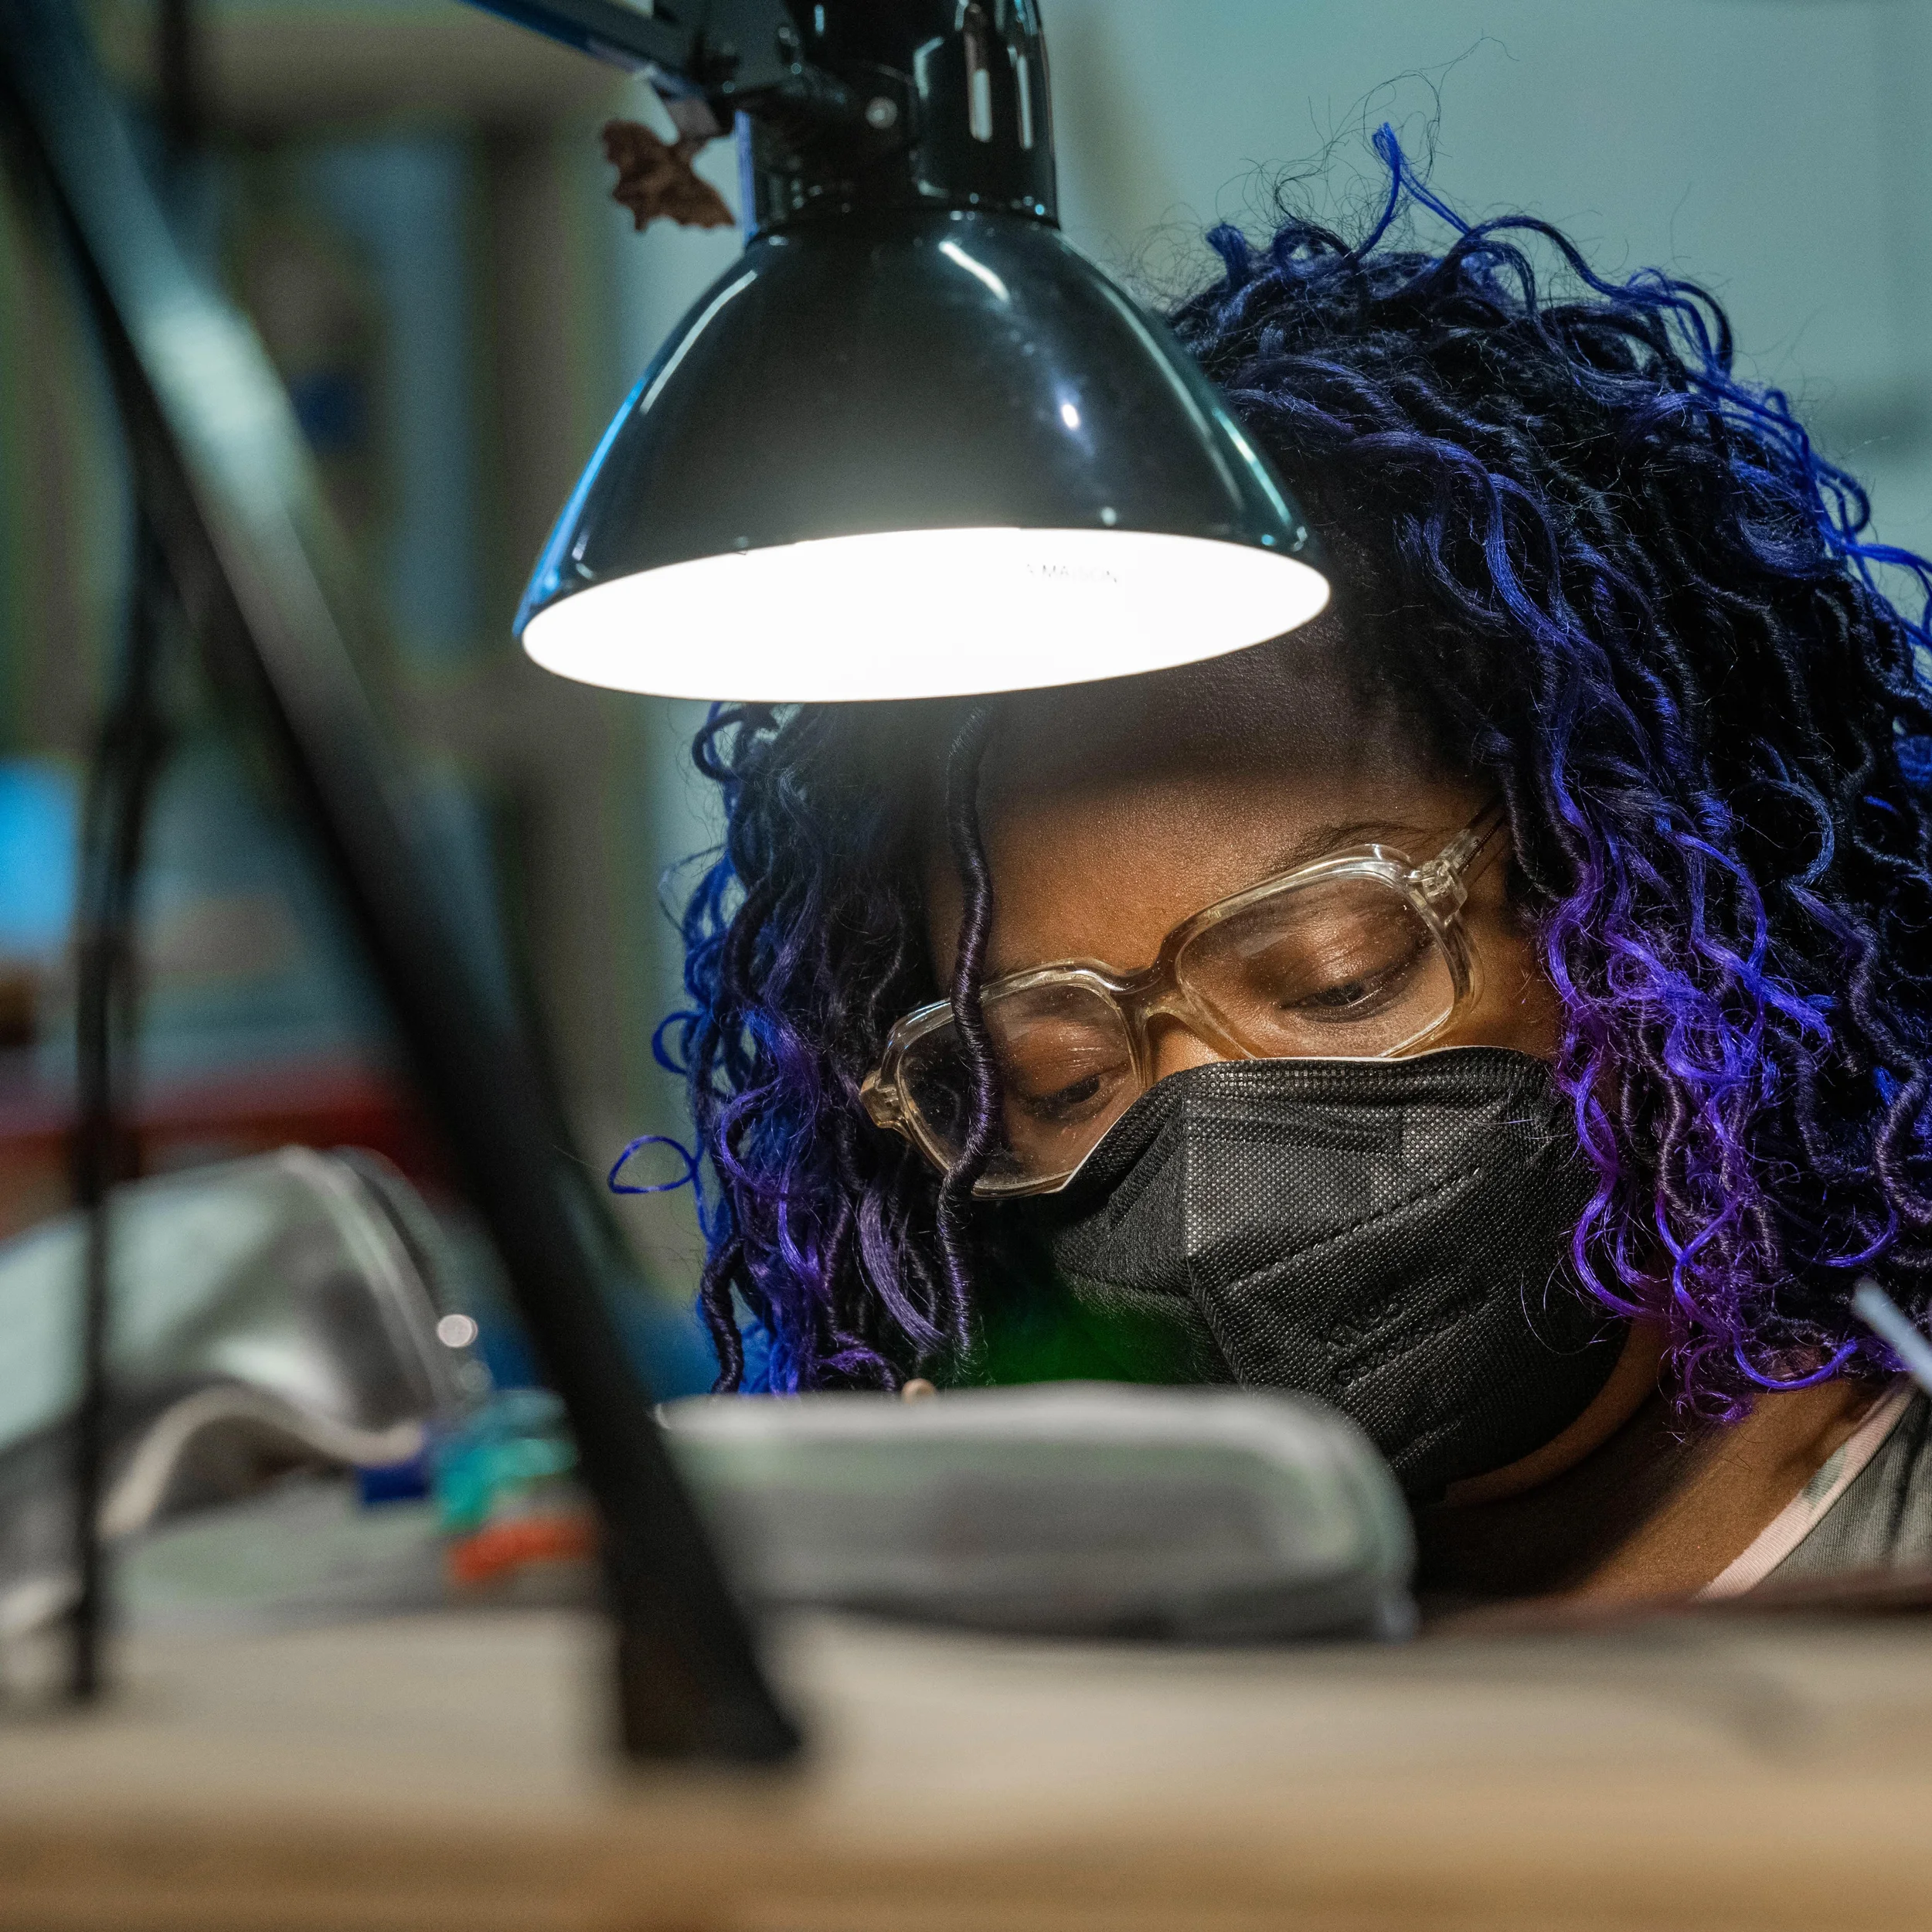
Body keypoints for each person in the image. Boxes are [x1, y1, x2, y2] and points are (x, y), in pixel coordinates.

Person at [655, 136, 1932, 1607]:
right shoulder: (1142, 1625)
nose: (1207, 1168)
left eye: (1337, 977)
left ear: (1644, 909)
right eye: (1060, 1084)